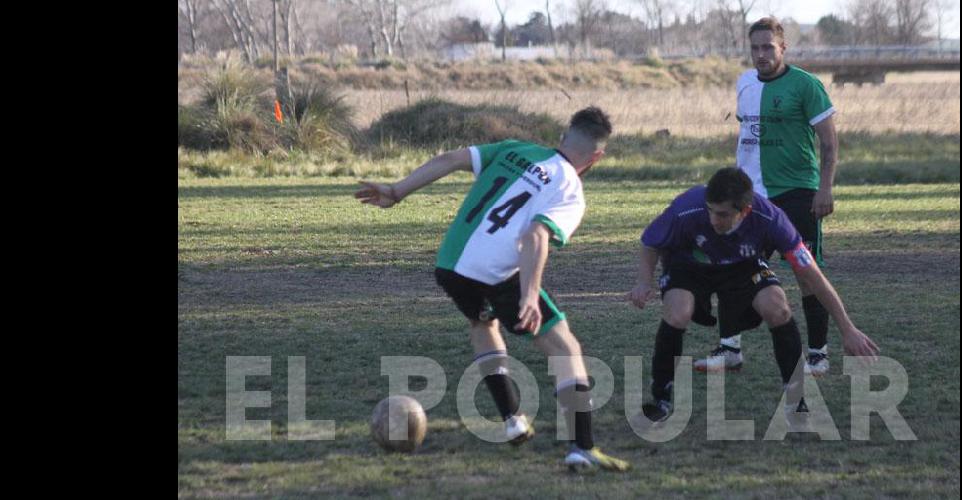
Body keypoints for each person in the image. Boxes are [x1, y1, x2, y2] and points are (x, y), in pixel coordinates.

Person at [355, 106, 629, 472]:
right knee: (566, 348)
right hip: (495, 273)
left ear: (563, 137)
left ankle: (512, 418)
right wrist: (530, 295)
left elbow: (450, 158)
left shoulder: (516, 149)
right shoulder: (570, 190)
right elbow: (535, 235)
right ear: (597, 157)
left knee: (483, 324)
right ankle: (582, 447)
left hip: (451, 264)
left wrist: (396, 190)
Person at [628, 168, 878, 426]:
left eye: (723, 214)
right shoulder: (687, 207)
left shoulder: (770, 219)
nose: (714, 220)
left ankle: (797, 401)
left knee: (777, 307)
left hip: (742, 266)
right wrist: (643, 281)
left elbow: (814, 277)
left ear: (744, 211)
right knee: (678, 312)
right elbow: (650, 241)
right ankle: (661, 401)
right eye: (710, 210)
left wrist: (847, 329)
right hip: (690, 265)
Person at [694, 17, 842, 376]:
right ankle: (730, 350)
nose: (761, 55)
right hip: (751, 197)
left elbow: (829, 142)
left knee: (806, 272)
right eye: (755, 48)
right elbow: (748, 139)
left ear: (782, 48)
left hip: (797, 193)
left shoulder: (805, 85)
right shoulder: (744, 83)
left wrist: (825, 188)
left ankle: (818, 354)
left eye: (768, 48)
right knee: (734, 267)